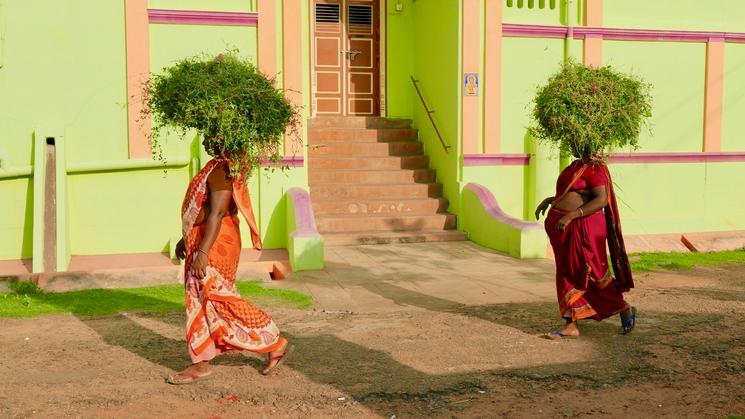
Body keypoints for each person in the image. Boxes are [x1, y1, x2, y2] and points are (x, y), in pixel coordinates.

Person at [167, 148, 292, 384]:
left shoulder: (222, 170)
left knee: (220, 298)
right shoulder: (216, 166)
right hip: (204, 239)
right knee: (200, 299)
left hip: (214, 244)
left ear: (225, 138)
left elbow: (218, 212)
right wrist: (186, 238)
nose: (206, 140)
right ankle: (200, 361)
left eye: (213, 134)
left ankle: (275, 341)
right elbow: (203, 209)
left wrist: (202, 251)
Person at [535, 151, 636, 339]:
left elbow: (601, 199)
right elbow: (572, 192)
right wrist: (551, 200)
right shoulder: (575, 165)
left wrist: (571, 215)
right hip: (564, 231)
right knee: (566, 273)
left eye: (575, 140)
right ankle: (571, 325)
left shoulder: (596, 167)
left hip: (584, 230)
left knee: (592, 274)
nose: (571, 144)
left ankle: (623, 307)